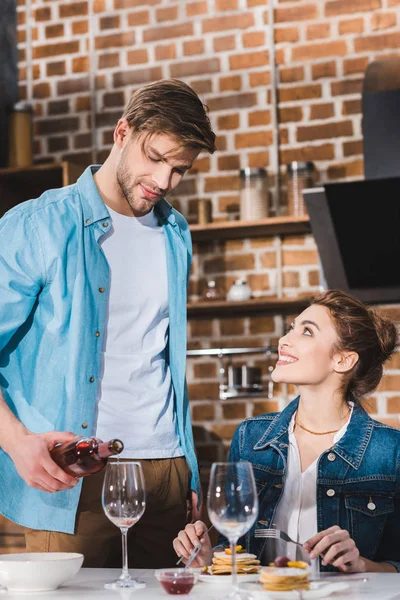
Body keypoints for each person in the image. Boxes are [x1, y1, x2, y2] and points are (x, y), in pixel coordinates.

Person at [0, 79, 216, 568]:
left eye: (179, 169)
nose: (163, 181)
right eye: (156, 158)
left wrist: (189, 477)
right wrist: (15, 442)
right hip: (75, 477)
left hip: (168, 472)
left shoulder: (175, 231)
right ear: (123, 131)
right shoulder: (38, 225)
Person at [174, 290, 400, 573]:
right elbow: (234, 551)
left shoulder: (390, 452)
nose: (283, 340)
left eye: (307, 332)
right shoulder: (250, 439)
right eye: (292, 328)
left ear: (343, 360)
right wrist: (208, 558)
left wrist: (361, 565)